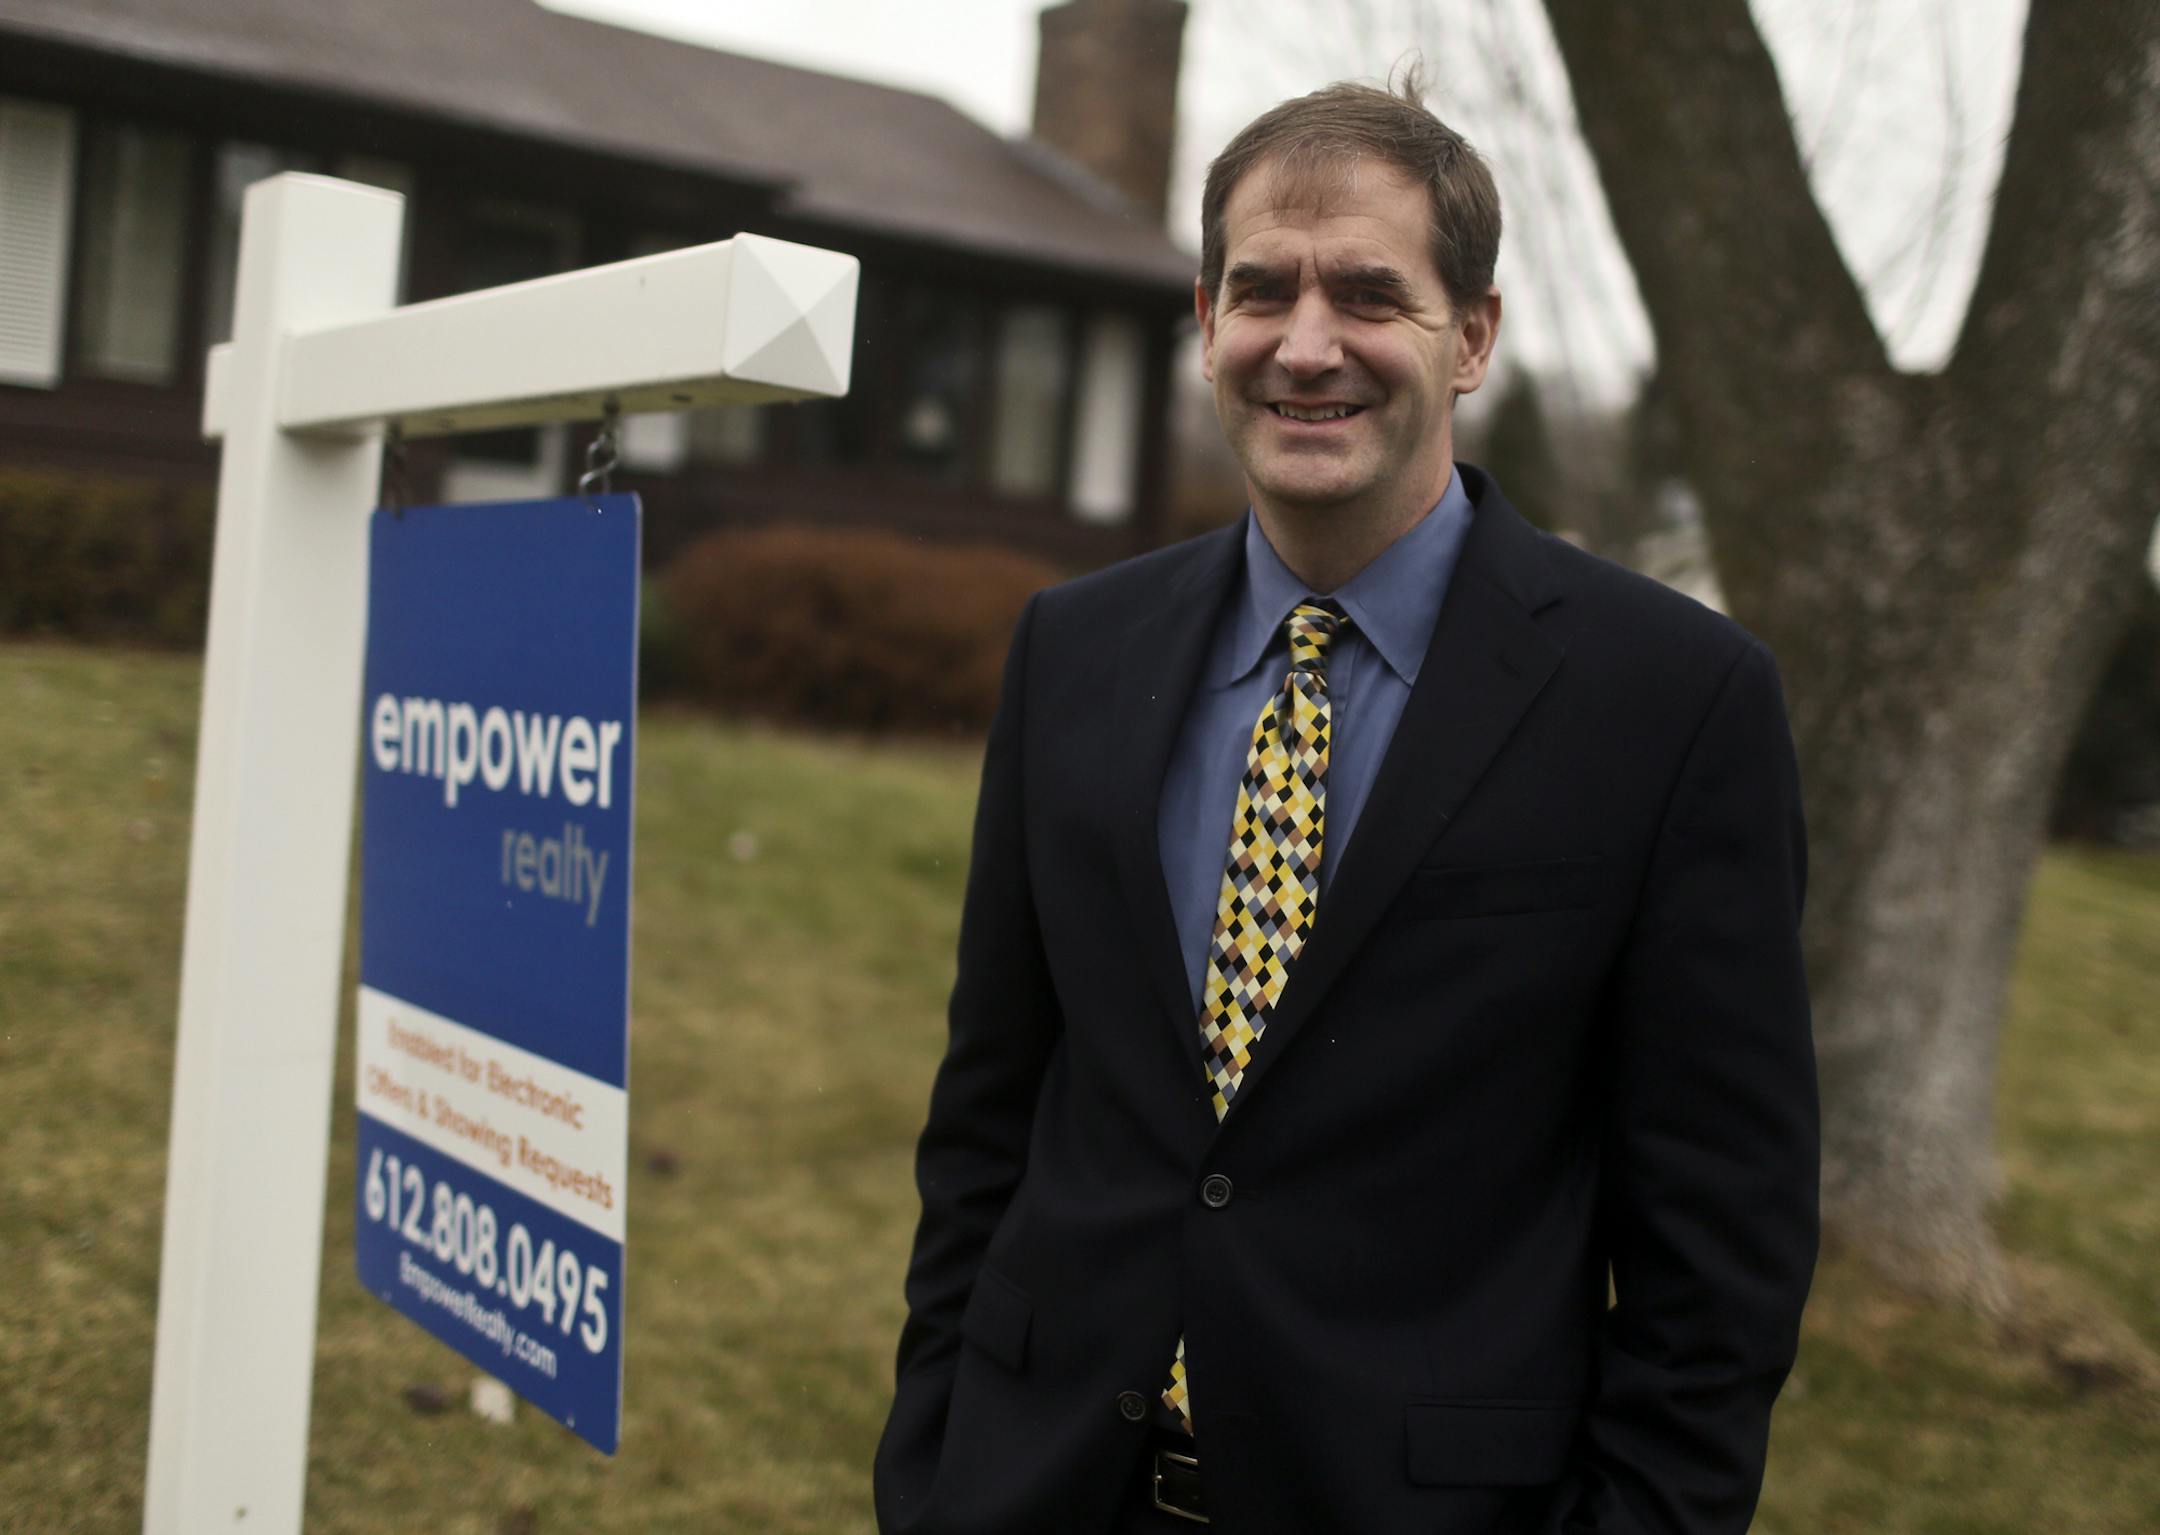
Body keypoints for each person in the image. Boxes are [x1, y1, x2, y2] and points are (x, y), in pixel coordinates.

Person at [876, 69, 1817, 1535]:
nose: (1305, 346)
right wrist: (934, 1459)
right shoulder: (1074, 650)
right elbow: (989, 1114)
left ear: (1473, 337)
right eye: (1262, 291)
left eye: (1370, 295)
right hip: (1038, 1483)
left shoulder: (1673, 703)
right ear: (1207, 323)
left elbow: (1723, 1241)